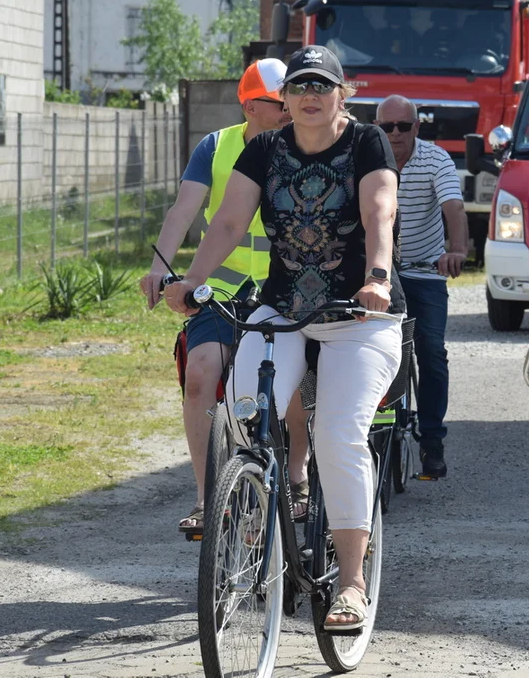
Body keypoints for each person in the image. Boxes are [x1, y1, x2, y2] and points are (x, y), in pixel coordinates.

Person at [165, 45, 404, 630]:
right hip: (285, 305)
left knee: (339, 433)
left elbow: (379, 210)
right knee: (247, 412)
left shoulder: (367, 141)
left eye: (322, 86)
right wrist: (192, 281)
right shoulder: (265, 148)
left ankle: (350, 583)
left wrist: (376, 277)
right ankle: (259, 504)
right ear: (284, 99)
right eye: (299, 87)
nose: (309, 96)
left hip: (359, 313)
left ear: (342, 94)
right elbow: (227, 221)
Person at [139, 59, 313, 533]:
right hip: (224, 288)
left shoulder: (304, 145)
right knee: (199, 376)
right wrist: (161, 268)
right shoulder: (215, 147)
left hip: (285, 288)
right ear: (253, 105)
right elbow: (183, 210)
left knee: (289, 383)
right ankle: (206, 498)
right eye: (281, 103)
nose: (290, 110)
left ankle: (297, 475)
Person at [375, 94, 469, 478]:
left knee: (431, 352)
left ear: (416, 127)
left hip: (424, 270)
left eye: (402, 126)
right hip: (378, 273)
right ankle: (367, 427)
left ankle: (432, 439)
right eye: (386, 127)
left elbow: (454, 207)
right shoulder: (367, 154)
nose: (394, 134)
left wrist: (457, 250)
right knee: (365, 348)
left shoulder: (436, 159)